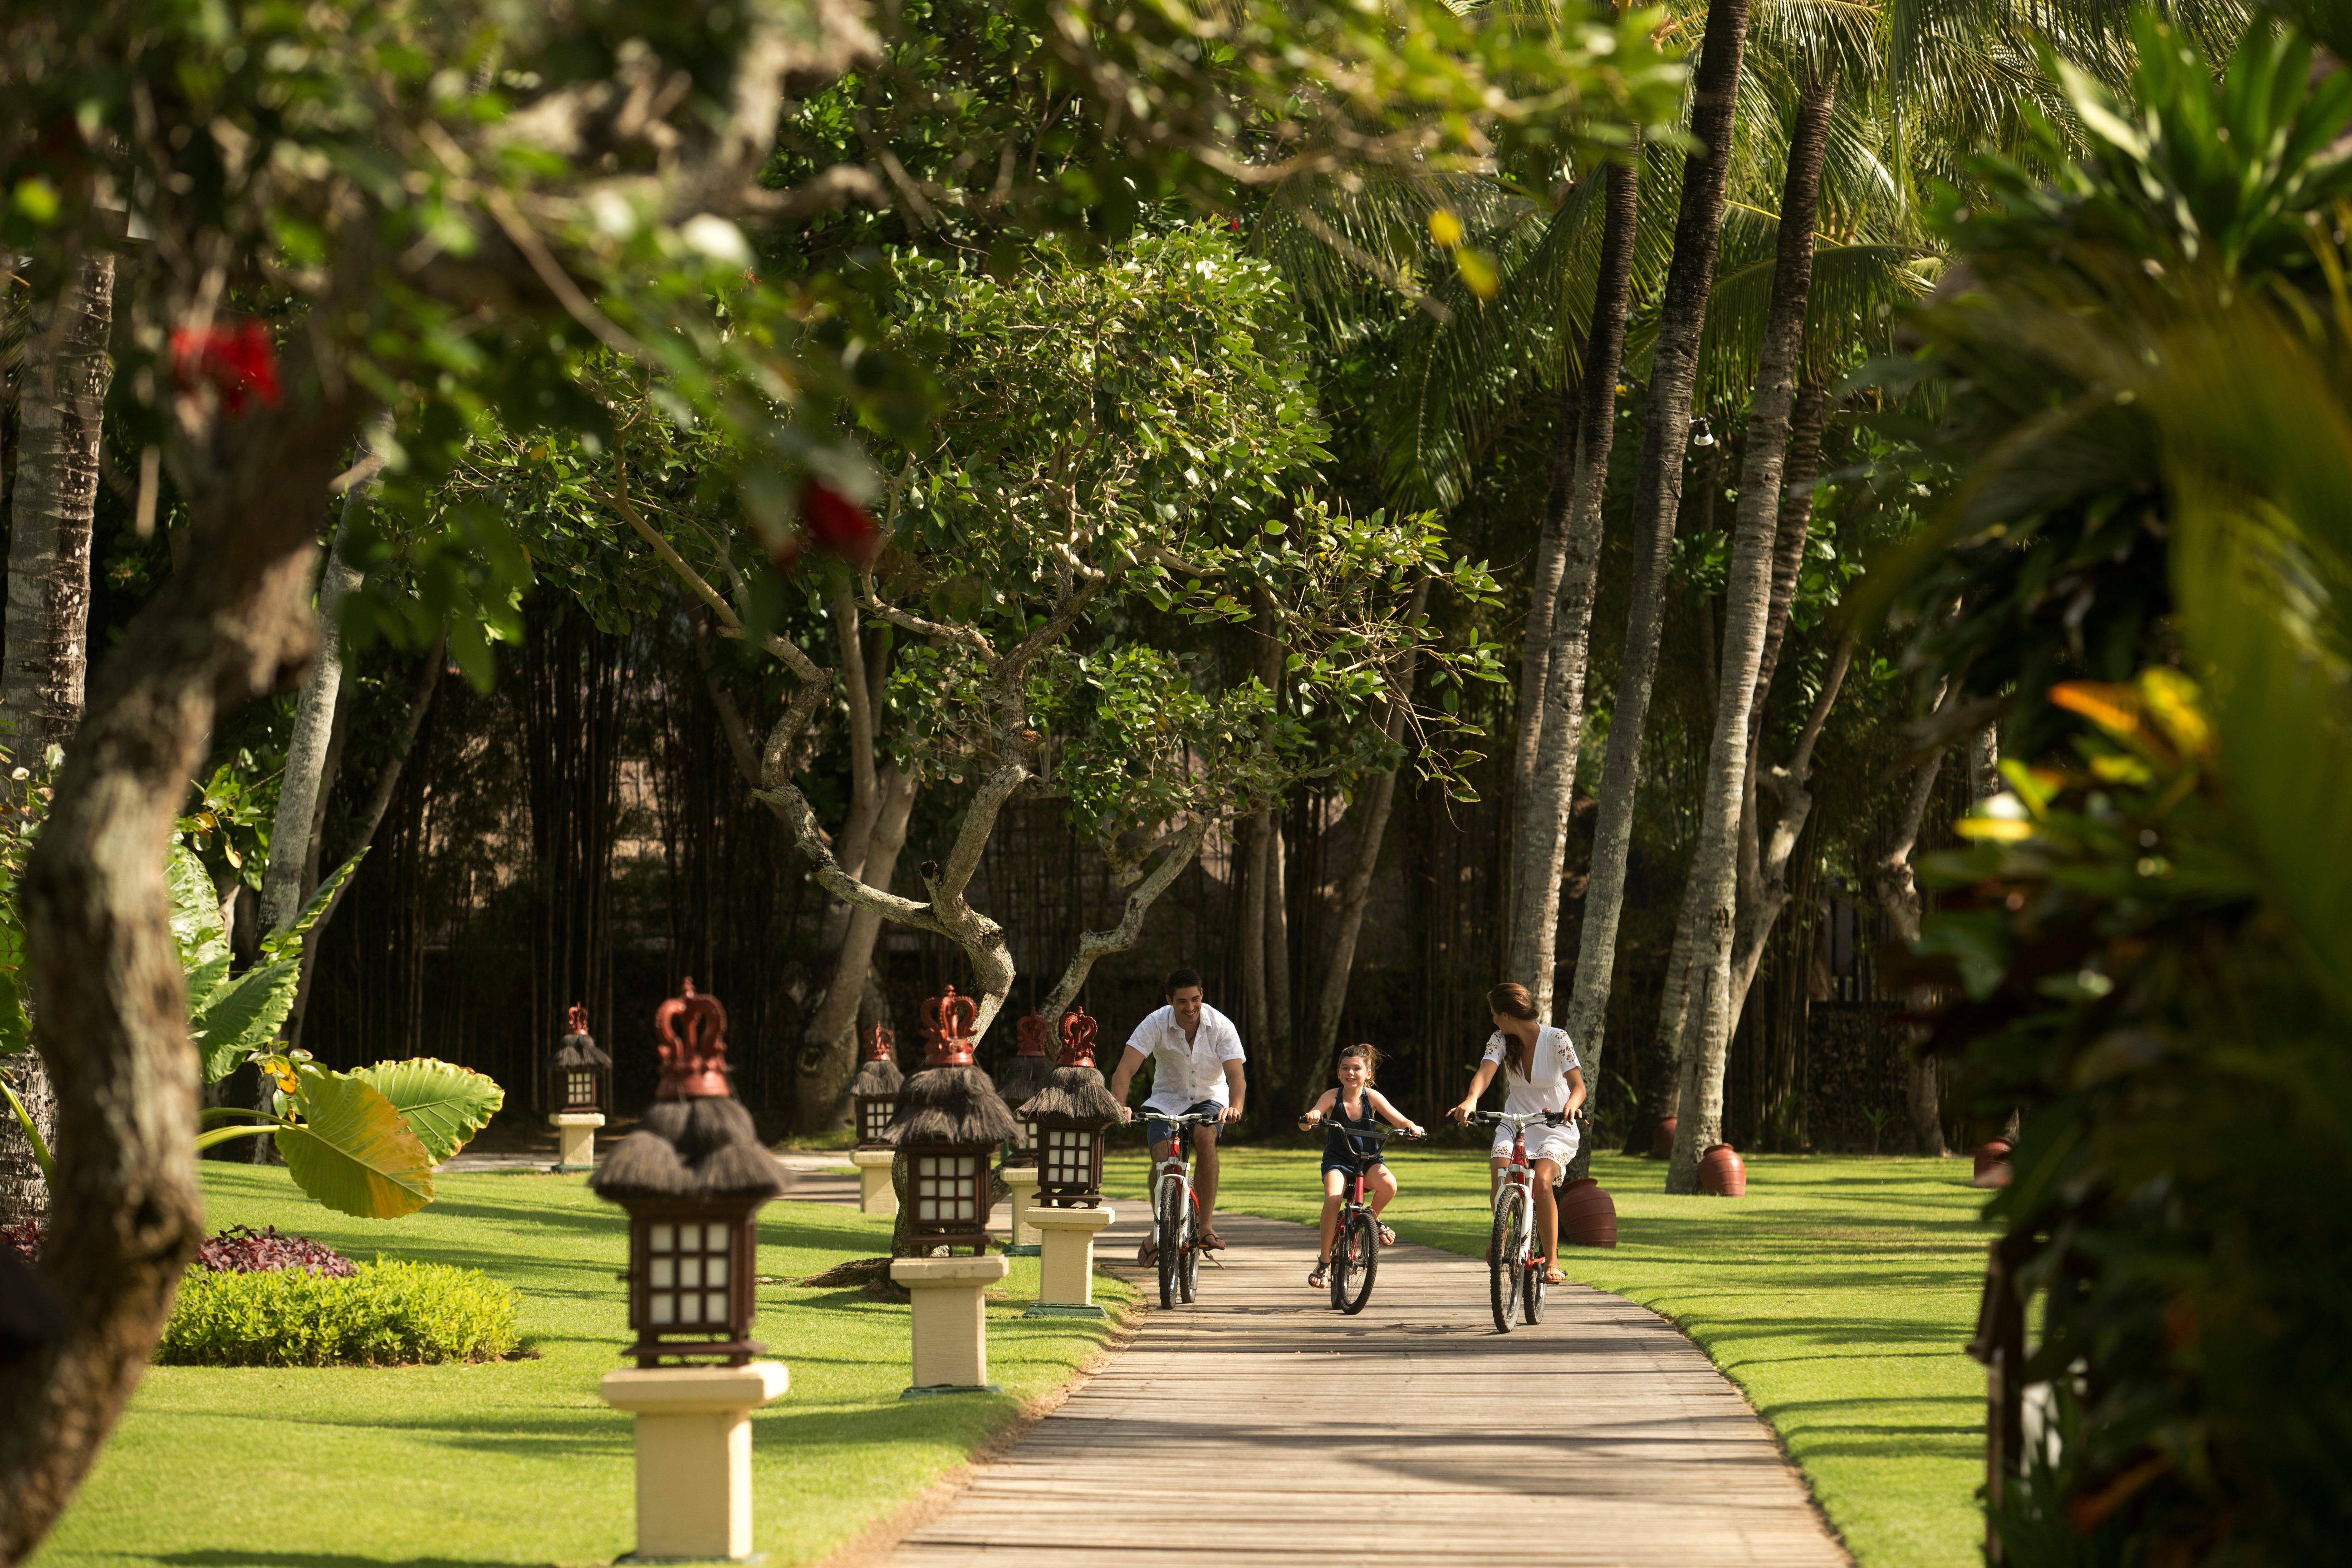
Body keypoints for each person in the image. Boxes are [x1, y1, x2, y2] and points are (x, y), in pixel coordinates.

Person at [1446, 981, 1586, 1286]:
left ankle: (1552, 1260)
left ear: (1507, 1015)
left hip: (1554, 1123)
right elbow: (1484, 1072)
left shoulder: (1557, 1038)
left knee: (1544, 1182)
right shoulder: (1501, 1040)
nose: (1493, 1020)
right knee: (1500, 1168)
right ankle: (1502, 1236)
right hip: (1517, 1119)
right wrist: (1471, 1100)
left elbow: (1578, 1086)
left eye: (1495, 1014)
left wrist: (1572, 1107)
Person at [1109, 967, 1245, 1259]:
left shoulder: (1221, 1025)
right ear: (1169, 1000)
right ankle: (1160, 1228)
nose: (1191, 1007)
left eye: (1195, 999)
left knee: (1205, 1139)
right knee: (1161, 1157)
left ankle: (1206, 1225)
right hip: (1165, 1100)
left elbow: (1236, 1075)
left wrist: (1235, 1107)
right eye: (1182, 1001)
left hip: (1210, 1098)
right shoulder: (1155, 1023)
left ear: (1202, 996)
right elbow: (1125, 1069)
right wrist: (1120, 1105)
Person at [1298, 1042, 1423, 1289]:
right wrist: (1311, 1118)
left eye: (1357, 1068)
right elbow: (1308, 1120)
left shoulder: (1373, 1098)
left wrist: (1412, 1128)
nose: (1351, 1073)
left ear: (1368, 1074)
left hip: (1369, 1159)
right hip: (1338, 1160)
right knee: (1333, 1199)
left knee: (1389, 1185)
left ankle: (1371, 1219)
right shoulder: (1331, 1097)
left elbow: (1399, 1119)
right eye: (1345, 1068)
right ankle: (1324, 1261)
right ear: (1338, 1073)